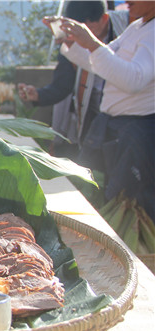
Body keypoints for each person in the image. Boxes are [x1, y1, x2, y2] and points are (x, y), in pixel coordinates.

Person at [59, 0, 155, 220]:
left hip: (139, 130)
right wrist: (72, 43)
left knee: (130, 209)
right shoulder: (137, 27)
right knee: (101, 196)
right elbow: (98, 63)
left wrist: (92, 44)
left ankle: (137, 254)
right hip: (115, 127)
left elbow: (134, 80)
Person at [17, 0, 128, 158]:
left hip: (129, 117)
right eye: (79, 30)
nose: (84, 36)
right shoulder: (72, 39)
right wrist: (39, 95)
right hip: (92, 116)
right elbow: (63, 84)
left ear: (104, 18)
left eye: (88, 30)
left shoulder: (128, 28)